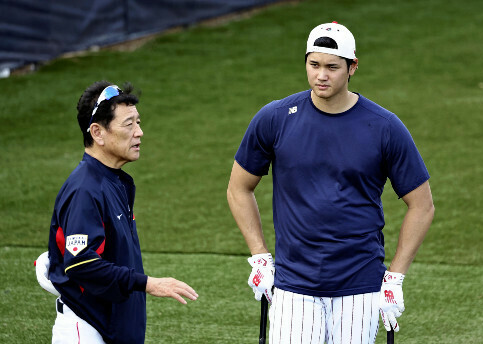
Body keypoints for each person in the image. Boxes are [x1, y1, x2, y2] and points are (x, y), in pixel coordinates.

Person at [227, 22, 434, 344]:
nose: (321, 75)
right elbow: (239, 187)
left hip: (360, 285)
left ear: (352, 67)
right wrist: (260, 257)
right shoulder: (275, 118)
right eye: (314, 65)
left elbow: (422, 206)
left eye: (332, 67)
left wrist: (394, 278)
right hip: (292, 284)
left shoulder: (384, 127)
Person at [35, 81, 198, 344]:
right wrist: (148, 283)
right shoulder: (85, 190)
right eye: (129, 124)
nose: (140, 132)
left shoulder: (115, 182)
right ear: (97, 133)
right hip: (87, 331)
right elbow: (81, 263)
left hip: (109, 330)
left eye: (138, 122)